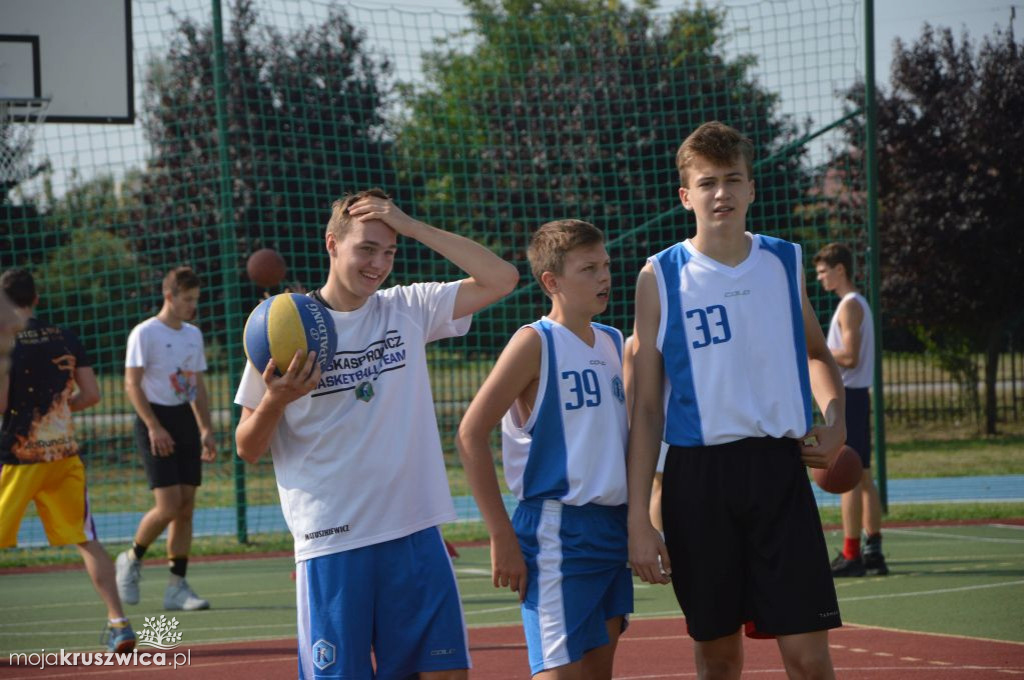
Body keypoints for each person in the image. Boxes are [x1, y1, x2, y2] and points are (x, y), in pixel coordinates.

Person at [234, 188, 519, 680]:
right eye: (367, 248)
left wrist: (411, 226)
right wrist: (277, 401)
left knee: (446, 673)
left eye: (389, 251)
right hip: (332, 540)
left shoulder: (406, 307)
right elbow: (248, 448)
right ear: (332, 244)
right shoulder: (285, 326)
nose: (379, 264)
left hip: (414, 530)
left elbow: (503, 278)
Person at [627, 121, 847, 680]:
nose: (720, 192)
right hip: (697, 480)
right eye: (707, 183)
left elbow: (817, 355)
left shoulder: (784, 262)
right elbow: (646, 410)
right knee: (719, 659)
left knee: (808, 657)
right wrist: (638, 517)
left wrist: (836, 421)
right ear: (686, 196)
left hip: (778, 471)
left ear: (751, 188)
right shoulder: (659, 276)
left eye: (732, 179)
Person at [457, 219, 632, 679]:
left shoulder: (613, 342)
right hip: (557, 529)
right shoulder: (535, 342)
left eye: (606, 265)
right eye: (588, 269)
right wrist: (500, 534)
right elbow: (470, 434)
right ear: (552, 282)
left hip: (612, 527)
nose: (604, 277)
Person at [0, 268, 136, 653]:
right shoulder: (65, 336)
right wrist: (58, 410)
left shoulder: (5, 341)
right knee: (86, 540)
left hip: (17, 457)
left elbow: (2, 403)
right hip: (63, 454)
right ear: (36, 299)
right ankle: (119, 623)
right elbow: (91, 394)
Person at [115, 266, 217, 612]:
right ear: (169, 296)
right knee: (168, 506)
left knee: (186, 508)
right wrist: (153, 426)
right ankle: (131, 558)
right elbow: (131, 384)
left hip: (184, 419)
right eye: (187, 299)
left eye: (196, 299)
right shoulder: (144, 333)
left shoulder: (193, 335)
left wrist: (206, 428)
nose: (192, 306)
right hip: (155, 420)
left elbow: (197, 385)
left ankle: (177, 586)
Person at [814, 243, 887, 577]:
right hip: (857, 396)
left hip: (850, 398)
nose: (820, 278)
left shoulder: (850, 306)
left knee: (848, 476)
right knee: (864, 476)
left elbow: (850, 356)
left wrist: (815, 350)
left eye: (823, 271)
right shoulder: (856, 304)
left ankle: (851, 554)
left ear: (840, 269)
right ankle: (874, 550)